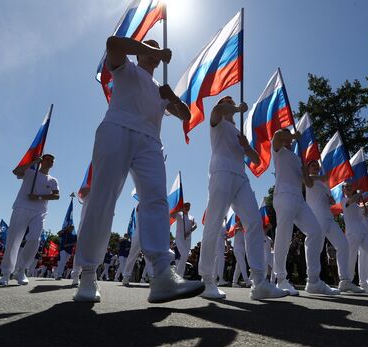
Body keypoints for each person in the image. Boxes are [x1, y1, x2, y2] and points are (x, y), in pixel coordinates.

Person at [73, 36, 204, 303]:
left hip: (150, 141)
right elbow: (112, 43)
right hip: (117, 129)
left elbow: (186, 115)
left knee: (156, 201)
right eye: (149, 48)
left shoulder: (159, 87)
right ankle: (87, 273)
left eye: (156, 49)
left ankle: (161, 276)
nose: (154, 53)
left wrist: (172, 97)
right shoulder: (125, 68)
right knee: (103, 199)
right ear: (140, 53)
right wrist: (152, 49)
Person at [199, 96, 289, 300]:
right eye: (227, 101)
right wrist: (237, 108)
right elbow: (215, 109)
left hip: (241, 178)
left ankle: (259, 283)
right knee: (213, 224)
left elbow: (256, 160)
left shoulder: (238, 132)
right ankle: (206, 280)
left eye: (231, 100)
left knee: (254, 222)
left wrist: (246, 146)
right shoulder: (217, 122)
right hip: (221, 173)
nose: (229, 102)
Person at [270, 128, 336, 296]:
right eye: (288, 137)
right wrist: (292, 135)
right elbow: (277, 135)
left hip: (299, 199)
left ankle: (313, 280)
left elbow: (309, 183)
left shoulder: (297, 158)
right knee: (284, 236)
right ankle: (281, 279)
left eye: (291, 138)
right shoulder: (278, 150)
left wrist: (305, 170)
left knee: (316, 231)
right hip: (284, 195)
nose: (290, 140)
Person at [0, 154, 60, 286]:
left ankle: (21, 270)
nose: (50, 162)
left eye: (52, 160)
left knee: (35, 239)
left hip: (40, 211)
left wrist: (39, 197)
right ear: (42, 161)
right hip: (22, 207)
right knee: (14, 239)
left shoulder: (53, 180)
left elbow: (56, 195)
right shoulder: (30, 173)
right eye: (47, 159)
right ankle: (6, 274)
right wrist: (33, 162)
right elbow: (16, 172)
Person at [305, 160, 363, 293]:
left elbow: (329, 200)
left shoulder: (325, 184)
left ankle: (344, 281)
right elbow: (308, 179)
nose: (316, 166)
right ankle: (312, 280)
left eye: (316, 165)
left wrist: (330, 200)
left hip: (329, 218)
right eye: (312, 165)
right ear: (308, 169)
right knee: (316, 248)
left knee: (343, 245)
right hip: (317, 218)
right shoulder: (310, 179)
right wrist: (323, 178)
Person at [174, 202, 197, 276]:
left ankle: (180, 275)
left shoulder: (191, 217)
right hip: (179, 238)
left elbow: (195, 225)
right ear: (183, 206)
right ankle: (178, 275)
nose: (187, 207)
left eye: (189, 206)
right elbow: (170, 215)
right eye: (186, 206)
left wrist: (190, 231)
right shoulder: (179, 214)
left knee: (185, 257)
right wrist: (178, 210)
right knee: (183, 255)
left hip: (188, 239)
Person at [231, 222, 252, 287]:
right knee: (243, 264)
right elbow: (234, 230)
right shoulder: (237, 229)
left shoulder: (245, 232)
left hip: (243, 250)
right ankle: (247, 280)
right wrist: (239, 228)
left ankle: (234, 282)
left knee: (238, 267)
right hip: (237, 250)